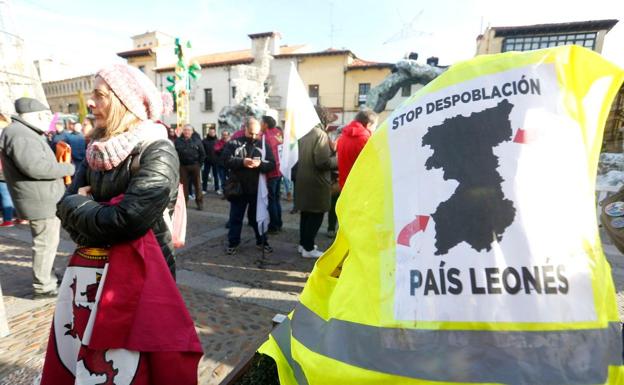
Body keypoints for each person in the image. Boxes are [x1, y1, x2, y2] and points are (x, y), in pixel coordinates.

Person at [48, 64, 201, 384]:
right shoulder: (95, 151)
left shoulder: (158, 150)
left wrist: (82, 205)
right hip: (92, 276)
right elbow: (64, 207)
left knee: (136, 367)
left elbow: (127, 221)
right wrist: (85, 208)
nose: (90, 102)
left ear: (124, 102)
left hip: (141, 277)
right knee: (94, 360)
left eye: (99, 95)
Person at [0, 97, 75, 298]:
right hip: (39, 201)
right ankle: (44, 286)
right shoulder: (20, 134)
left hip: (40, 199)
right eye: (46, 117)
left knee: (47, 243)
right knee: (45, 244)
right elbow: (35, 167)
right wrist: (68, 168)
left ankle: (46, 276)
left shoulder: (20, 132)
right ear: (38, 116)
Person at [222, 117, 275, 255]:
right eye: (251, 133)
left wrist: (260, 165)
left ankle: (262, 241)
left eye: (256, 133)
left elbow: (272, 164)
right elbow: (224, 160)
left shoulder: (263, 145)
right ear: (244, 129)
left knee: (258, 217)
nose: (253, 136)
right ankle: (233, 243)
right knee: (236, 217)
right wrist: (242, 162)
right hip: (238, 188)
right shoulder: (234, 143)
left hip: (257, 189)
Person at [294, 109, 337, 259]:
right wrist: (337, 160)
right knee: (316, 214)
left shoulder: (304, 133)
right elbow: (322, 162)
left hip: (303, 180)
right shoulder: (320, 135)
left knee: (306, 214)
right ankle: (308, 247)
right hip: (317, 182)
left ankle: (303, 244)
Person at [337, 109, 378, 189]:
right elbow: (373, 165)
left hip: (345, 186)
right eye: (375, 127)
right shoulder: (366, 140)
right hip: (361, 187)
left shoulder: (343, 136)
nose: (375, 130)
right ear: (369, 125)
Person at [261, 115, 284, 233]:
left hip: (272, 171)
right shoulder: (278, 133)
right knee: (277, 198)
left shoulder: (265, 136)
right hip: (280, 170)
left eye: (261, 122)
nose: (260, 124)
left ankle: (274, 225)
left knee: (272, 200)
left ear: (265, 124)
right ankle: (279, 223)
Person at [175, 124, 205, 210]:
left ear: (192, 131)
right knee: (183, 186)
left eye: (188, 130)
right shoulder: (177, 141)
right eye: (185, 130)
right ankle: (184, 203)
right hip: (183, 166)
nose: (186, 132)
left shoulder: (197, 141)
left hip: (195, 165)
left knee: (198, 185)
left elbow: (203, 154)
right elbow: (175, 153)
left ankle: (199, 203)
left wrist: (199, 165)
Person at [0, 112, 15, 227]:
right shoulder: (12, 129)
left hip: (2, 168)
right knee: (14, 193)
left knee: (5, 194)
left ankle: (8, 220)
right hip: (12, 167)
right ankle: (20, 217)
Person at [202, 127, 219, 194]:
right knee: (205, 176)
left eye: (213, 132)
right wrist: (205, 157)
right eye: (210, 132)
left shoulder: (218, 141)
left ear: (215, 133)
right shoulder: (204, 141)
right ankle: (204, 189)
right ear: (208, 132)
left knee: (216, 176)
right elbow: (202, 151)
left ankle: (217, 189)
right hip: (207, 161)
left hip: (216, 161)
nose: (212, 133)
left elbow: (220, 151)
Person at [214, 129, 231, 196]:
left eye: (226, 135)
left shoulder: (231, 142)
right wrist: (223, 148)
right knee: (222, 180)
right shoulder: (219, 142)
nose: (224, 136)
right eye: (223, 135)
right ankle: (225, 193)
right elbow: (216, 150)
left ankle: (230, 192)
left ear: (228, 135)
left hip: (230, 164)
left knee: (230, 179)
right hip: (221, 165)